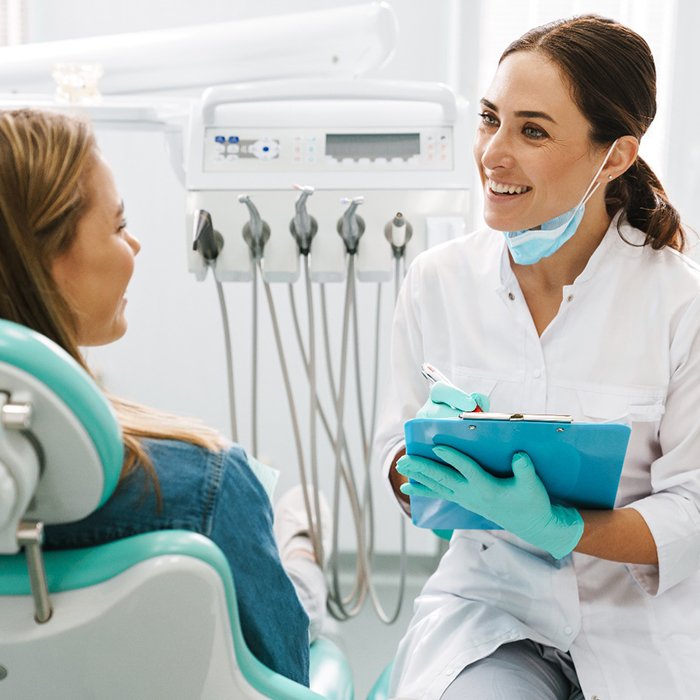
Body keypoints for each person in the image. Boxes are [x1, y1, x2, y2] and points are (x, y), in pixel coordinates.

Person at [374, 14, 700, 699]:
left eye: (532, 130)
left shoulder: (680, 304)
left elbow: (694, 505)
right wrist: (423, 465)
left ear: (614, 157)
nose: (493, 152)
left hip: (642, 631)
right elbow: (393, 460)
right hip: (492, 617)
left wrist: (564, 527)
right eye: (490, 118)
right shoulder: (439, 282)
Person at [0, 107, 329, 687]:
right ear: (44, 259)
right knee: (298, 579)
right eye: (117, 225)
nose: (135, 244)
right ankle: (298, 534)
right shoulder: (204, 485)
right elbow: (286, 677)